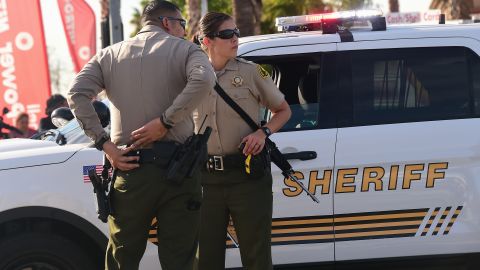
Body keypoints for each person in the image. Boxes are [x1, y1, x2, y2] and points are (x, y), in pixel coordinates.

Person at [67, 1, 215, 269]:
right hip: (180, 170)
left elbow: (76, 94)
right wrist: (166, 121)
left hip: (130, 167)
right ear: (167, 23)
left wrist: (106, 146)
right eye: (182, 24)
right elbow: (205, 80)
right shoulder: (187, 50)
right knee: (180, 259)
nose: (183, 30)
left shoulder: (109, 55)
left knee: (122, 259)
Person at [193, 12, 292, 270]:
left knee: (256, 257)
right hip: (205, 180)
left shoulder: (251, 72)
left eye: (236, 32)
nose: (235, 38)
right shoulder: (191, 77)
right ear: (207, 41)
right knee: (205, 259)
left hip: (248, 178)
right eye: (227, 34)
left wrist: (263, 132)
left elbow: (284, 111)